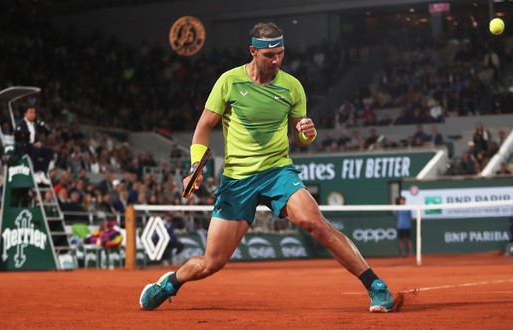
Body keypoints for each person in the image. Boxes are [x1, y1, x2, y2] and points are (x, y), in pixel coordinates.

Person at [139, 22, 397, 313]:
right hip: (237, 180)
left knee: (317, 224)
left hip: (277, 172)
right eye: (270, 55)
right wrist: (195, 165)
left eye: (281, 53)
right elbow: (203, 128)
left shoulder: (292, 86)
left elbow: (301, 135)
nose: (277, 61)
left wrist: (306, 133)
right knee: (211, 263)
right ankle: (171, 283)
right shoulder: (229, 82)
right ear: (253, 52)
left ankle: (376, 286)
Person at [14, 106, 54, 185]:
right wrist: (32, 144)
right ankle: (35, 172)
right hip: (24, 147)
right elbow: (19, 140)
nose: (33, 114)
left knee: (49, 151)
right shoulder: (21, 124)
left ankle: (42, 172)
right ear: (25, 113)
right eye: (30, 112)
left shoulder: (34, 125)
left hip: (32, 146)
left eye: (34, 112)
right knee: (35, 150)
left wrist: (38, 142)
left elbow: (35, 138)